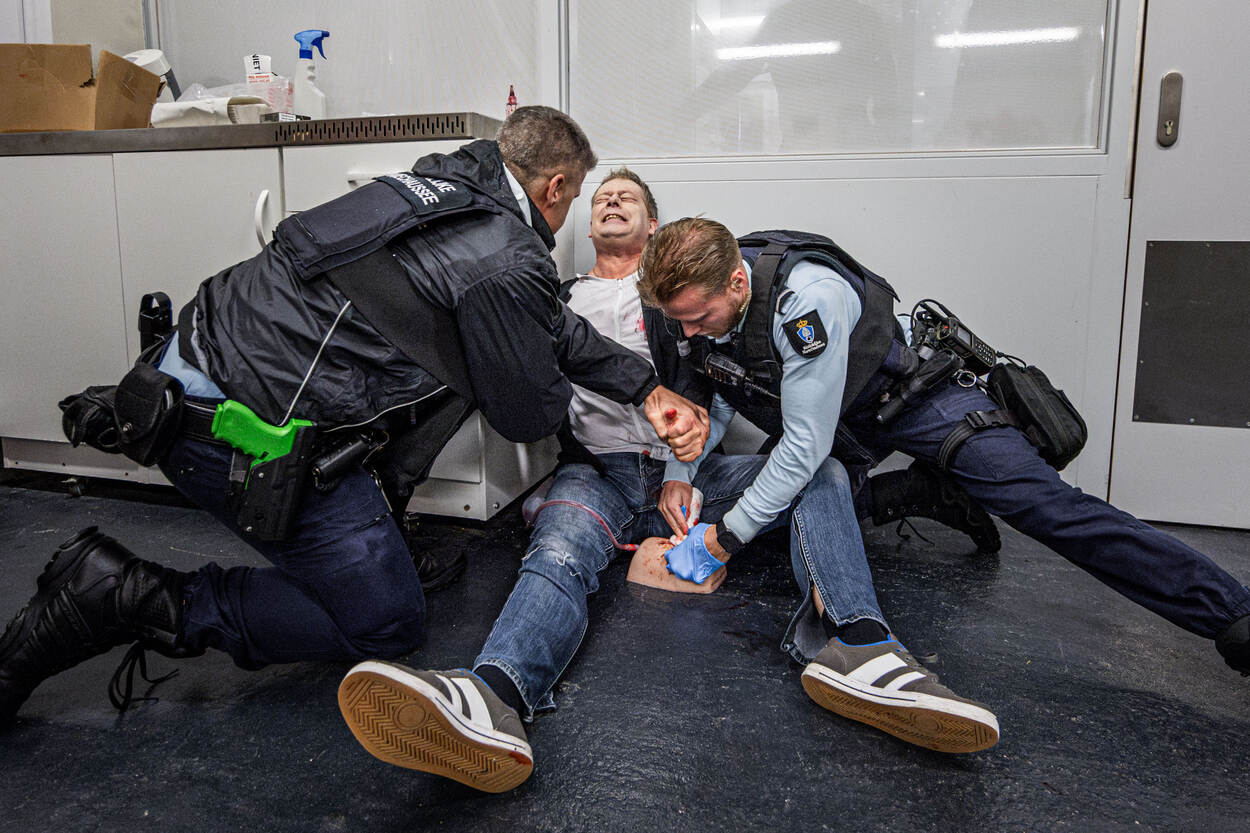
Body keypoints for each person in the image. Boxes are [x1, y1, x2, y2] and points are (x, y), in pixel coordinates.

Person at [0, 108, 711, 726]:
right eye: (579, 198)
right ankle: (124, 596)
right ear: (554, 188)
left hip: (190, 360)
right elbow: (528, 410)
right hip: (237, 434)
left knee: (457, 361)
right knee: (385, 620)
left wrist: (644, 387)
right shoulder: (507, 254)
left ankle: (378, 532)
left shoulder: (430, 184)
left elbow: (542, 322)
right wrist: (540, 378)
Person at [334, 169, 1000, 795]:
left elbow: (713, 393)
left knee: (819, 472)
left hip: (683, 477)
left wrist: (684, 474)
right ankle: (493, 695)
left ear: (653, 227)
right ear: (585, 224)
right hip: (596, 474)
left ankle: (863, 645)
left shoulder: (678, 302)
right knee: (558, 551)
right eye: (601, 197)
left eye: (627, 195)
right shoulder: (555, 300)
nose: (611, 200)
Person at [630, 216, 1250, 692]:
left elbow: (803, 447)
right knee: (789, 532)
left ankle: (1229, 614)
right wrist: (684, 471)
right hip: (837, 425)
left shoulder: (805, 301)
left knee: (1043, 506)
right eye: (679, 322)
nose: (688, 333)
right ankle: (920, 491)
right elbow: (717, 393)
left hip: (912, 397)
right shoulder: (698, 306)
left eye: (697, 318)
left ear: (737, 282)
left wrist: (722, 539)